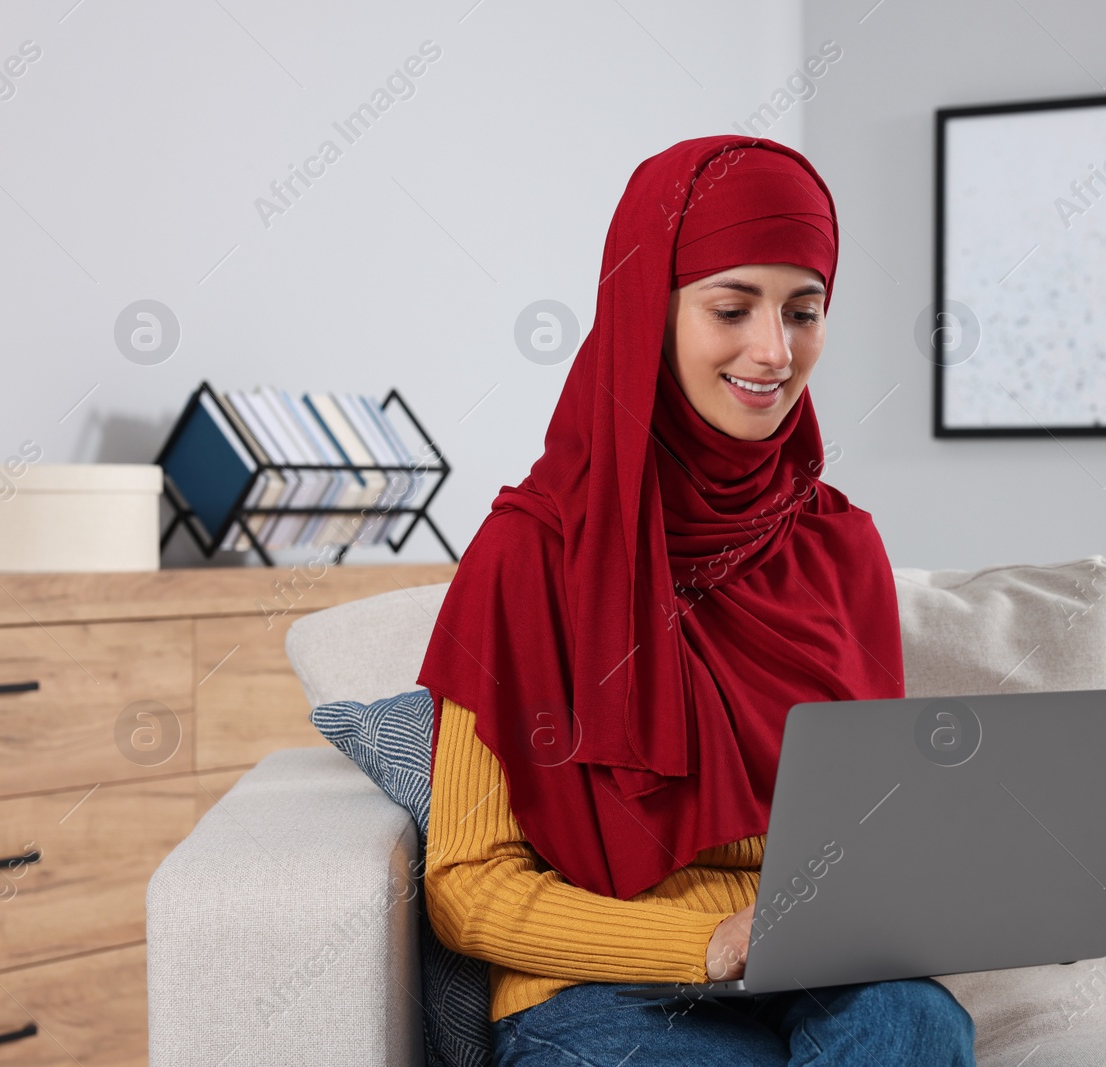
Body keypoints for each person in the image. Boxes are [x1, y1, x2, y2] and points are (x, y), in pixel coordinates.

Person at [418, 135, 977, 1066]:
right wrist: (706, 944)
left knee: (915, 1023)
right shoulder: (527, 552)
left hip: (821, 970)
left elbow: (870, 833)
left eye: (805, 311)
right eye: (732, 307)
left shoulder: (841, 546)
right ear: (649, 311)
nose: (774, 350)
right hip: (603, 990)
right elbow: (466, 886)